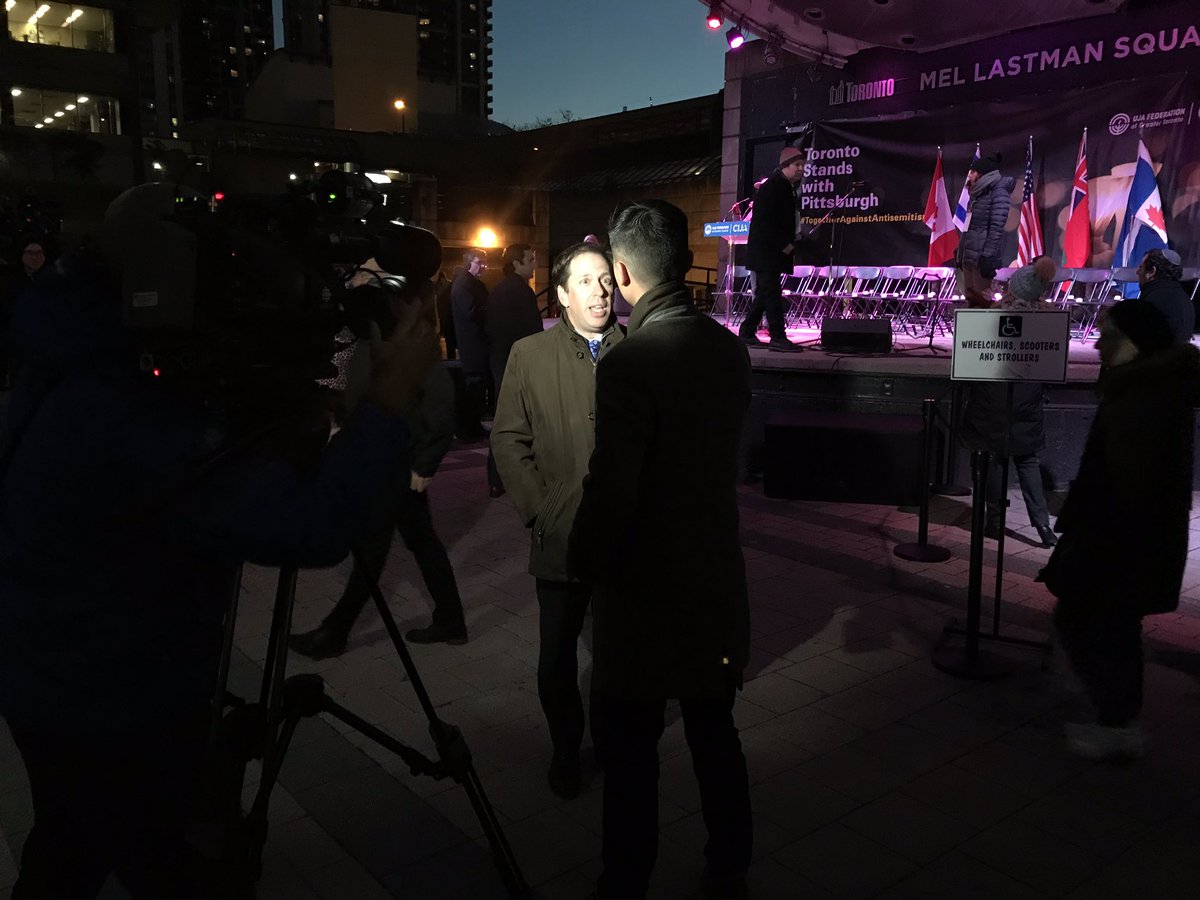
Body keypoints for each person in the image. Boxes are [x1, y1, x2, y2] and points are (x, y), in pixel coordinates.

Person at [0, 202, 440, 897]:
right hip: (110, 700)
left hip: (51, 674)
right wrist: (388, 397)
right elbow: (313, 527)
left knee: (70, 841)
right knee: (131, 854)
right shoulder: (134, 415)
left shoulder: (75, 356)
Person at [569, 200, 753, 899]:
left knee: (632, 749)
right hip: (712, 581)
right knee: (714, 731)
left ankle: (626, 879)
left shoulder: (629, 363)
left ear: (620, 271)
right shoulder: (726, 348)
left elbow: (612, 488)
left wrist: (581, 561)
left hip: (643, 594)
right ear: (680, 260)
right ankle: (730, 863)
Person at [491, 242, 624, 800]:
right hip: (561, 534)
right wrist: (539, 506)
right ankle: (566, 748)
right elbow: (507, 436)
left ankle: (617, 747)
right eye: (586, 281)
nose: (600, 290)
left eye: (606, 280)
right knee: (557, 658)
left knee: (618, 657)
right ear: (563, 293)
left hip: (622, 538)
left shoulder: (638, 350)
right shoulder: (529, 353)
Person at [1039, 300, 1199, 761]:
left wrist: (1094, 536)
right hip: (1120, 537)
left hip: (1122, 541)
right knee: (1104, 624)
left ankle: (1118, 722)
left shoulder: (1145, 398)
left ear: (1133, 341)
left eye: (1108, 333)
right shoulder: (1141, 386)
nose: (1097, 341)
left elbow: (1128, 483)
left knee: (1100, 624)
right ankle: (1114, 708)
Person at [290, 270, 468, 658]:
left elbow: (439, 410)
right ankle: (451, 619)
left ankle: (335, 631)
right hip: (386, 459)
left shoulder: (414, 344)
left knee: (375, 548)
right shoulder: (381, 341)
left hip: (399, 464)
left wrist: (425, 465)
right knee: (418, 542)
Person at [960, 256, 1059, 547]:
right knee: (1028, 460)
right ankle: (1043, 527)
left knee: (993, 458)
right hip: (1027, 397)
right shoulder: (1049, 320)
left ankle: (994, 523)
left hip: (992, 395)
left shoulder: (992, 315)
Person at [484, 243, 542, 498]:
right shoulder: (521, 292)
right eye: (530, 259)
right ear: (517, 263)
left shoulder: (498, 289)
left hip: (501, 361)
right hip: (519, 365)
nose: (534, 264)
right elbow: (533, 334)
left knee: (504, 423)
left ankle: (496, 479)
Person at [739, 146, 804, 352]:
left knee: (765, 293)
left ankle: (747, 332)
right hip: (767, 251)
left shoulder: (784, 187)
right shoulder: (773, 186)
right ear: (785, 166)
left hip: (769, 252)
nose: (801, 169)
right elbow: (765, 221)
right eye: (797, 165)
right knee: (772, 293)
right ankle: (777, 337)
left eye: (803, 165)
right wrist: (783, 244)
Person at [956, 154, 1014, 299]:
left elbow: (996, 228)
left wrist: (987, 256)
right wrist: (960, 251)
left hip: (982, 257)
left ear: (983, 174)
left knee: (982, 299)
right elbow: (968, 227)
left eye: (973, 171)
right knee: (969, 298)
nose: (970, 175)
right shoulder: (976, 194)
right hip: (969, 255)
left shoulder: (998, 192)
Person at [451, 249, 489, 441]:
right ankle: (469, 428)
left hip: (477, 342)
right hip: (472, 342)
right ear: (468, 263)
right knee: (473, 386)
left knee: (477, 387)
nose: (483, 266)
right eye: (479, 262)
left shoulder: (472, 284)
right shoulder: (463, 284)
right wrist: (489, 311)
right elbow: (472, 312)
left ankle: (474, 426)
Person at [1135, 247, 1194, 345]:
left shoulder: (1151, 301)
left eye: (1141, 268)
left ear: (1152, 271)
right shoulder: (1185, 299)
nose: (1137, 272)